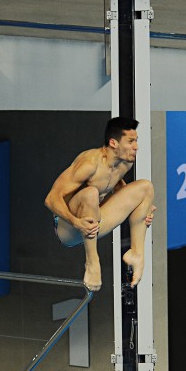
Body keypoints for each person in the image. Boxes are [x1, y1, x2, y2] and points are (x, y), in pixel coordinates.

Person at [45, 117, 156, 292]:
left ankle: (136, 254)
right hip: (68, 228)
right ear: (113, 143)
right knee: (91, 193)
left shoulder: (125, 163)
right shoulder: (89, 164)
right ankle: (92, 262)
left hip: (94, 225)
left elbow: (116, 187)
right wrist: (76, 222)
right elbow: (51, 199)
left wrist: (141, 209)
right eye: (130, 142)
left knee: (146, 188)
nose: (136, 147)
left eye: (136, 141)